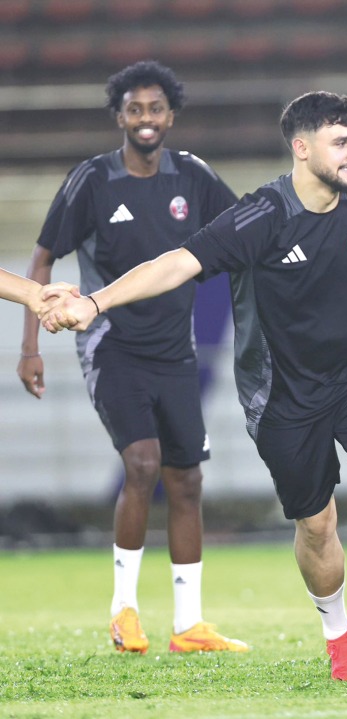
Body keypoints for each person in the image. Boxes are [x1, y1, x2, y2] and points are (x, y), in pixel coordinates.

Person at [41, 91, 347, 680]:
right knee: (317, 524)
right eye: (341, 143)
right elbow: (175, 264)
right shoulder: (261, 215)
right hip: (280, 392)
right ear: (302, 148)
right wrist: (97, 300)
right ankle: (337, 631)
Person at [17, 61, 245, 654]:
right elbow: (42, 261)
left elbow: (245, 230)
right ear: (119, 115)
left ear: (171, 115)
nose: (146, 119)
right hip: (111, 345)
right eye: (135, 109)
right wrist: (30, 347)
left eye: (157, 109)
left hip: (176, 351)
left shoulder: (193, 176)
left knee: (187, 479)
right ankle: (124, 613)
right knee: (142, 464)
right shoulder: (92, 181)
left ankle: (190, 624)